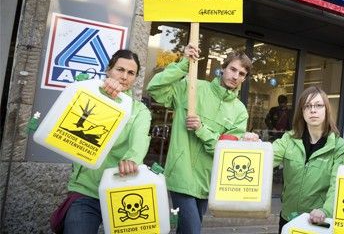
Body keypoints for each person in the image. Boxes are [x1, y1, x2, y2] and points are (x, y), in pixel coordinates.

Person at [147, 44, 252, 234]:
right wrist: (183, 64)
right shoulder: (193, 87)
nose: (236, 76)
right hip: (181, 173)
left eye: (242, 74)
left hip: (207, 181)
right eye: (233, 69)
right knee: (192, 230)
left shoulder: (240, 112)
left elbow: (226, 151)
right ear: (223, 68)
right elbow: (155, 87)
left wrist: (201, 129)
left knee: (186, 230)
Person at [61, 50, 151, 234]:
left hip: (121, 190)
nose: (124, 77)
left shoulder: (140, 111)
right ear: (108, 70)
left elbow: (140, 142)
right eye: (120, 69)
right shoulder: (90, 93)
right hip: (87, 189)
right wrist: (102, 93)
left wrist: (132, 159)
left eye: (131, 73)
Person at [271, 87, 344, 231]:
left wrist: (325, 211)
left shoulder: (338, 146)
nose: (313, 110)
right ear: (302, 111)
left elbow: (338, 184)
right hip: (288, 217)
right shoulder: (289, 139)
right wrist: (254, 146)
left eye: (318, 105)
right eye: (307, 106)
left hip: (317, 221)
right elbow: (267, 157)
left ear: (326, 110)